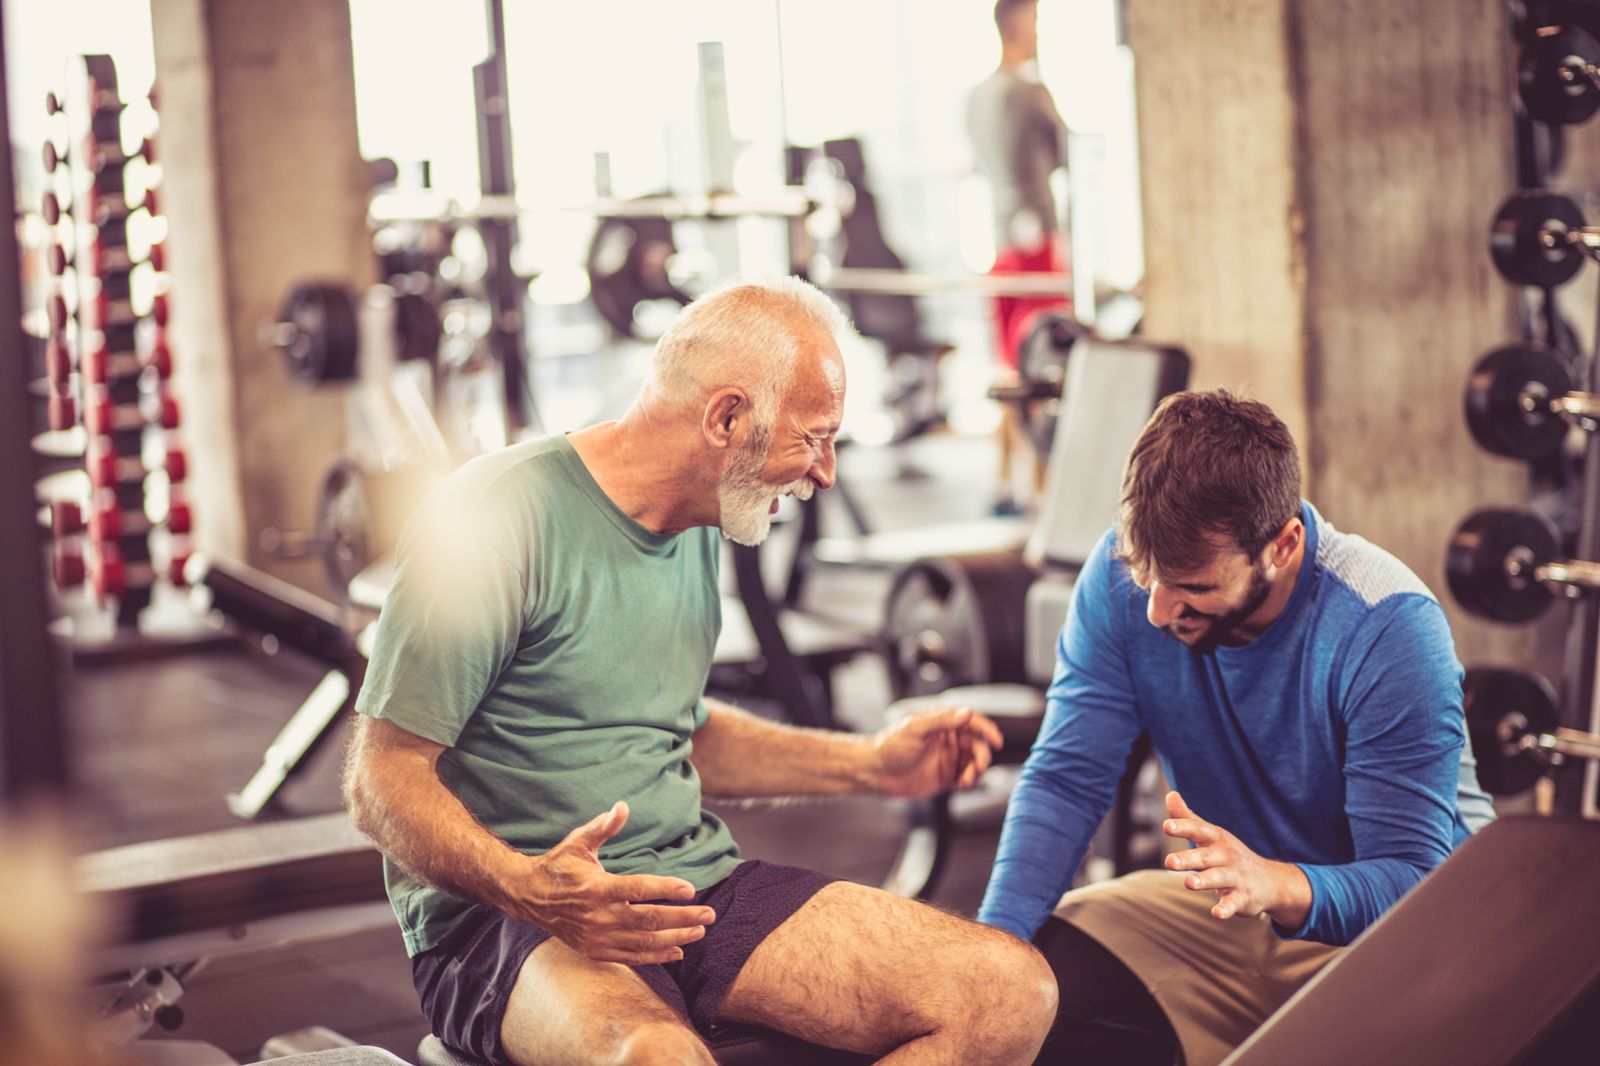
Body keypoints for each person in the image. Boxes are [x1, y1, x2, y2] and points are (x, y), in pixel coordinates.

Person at [343, 277, 1058, 1066]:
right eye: (813, 439)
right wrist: (528, 886)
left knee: (1006, 991)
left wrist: (874, 765)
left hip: (691, 890)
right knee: (658, 1059)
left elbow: (682, 730)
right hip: (512, 920)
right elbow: (381, 778)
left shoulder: (701, 519)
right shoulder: (497, 513)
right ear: (726, 419)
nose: (823, 472)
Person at [977, 389, 1497, 1066]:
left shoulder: (1388, 627)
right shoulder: (1120, 578)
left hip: (1411, 937)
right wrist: (987, 957)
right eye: (1147, 574)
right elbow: (1066, 779)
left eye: (1192, 585)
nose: (1158, 611)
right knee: (1032, 976)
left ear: (1283, 545)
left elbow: (1411, 882)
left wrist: (1279, 884)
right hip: (1240, 908)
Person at [967, 0, 1071, 515]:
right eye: (1034, 20)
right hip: (1035, 249)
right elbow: (1066, 153)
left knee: (1011, 370)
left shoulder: (977, 97)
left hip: (1002, 248)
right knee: (1045, 373)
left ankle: (1005, 480)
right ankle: (1044, 491)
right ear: (1017, 23)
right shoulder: (1029, 91)